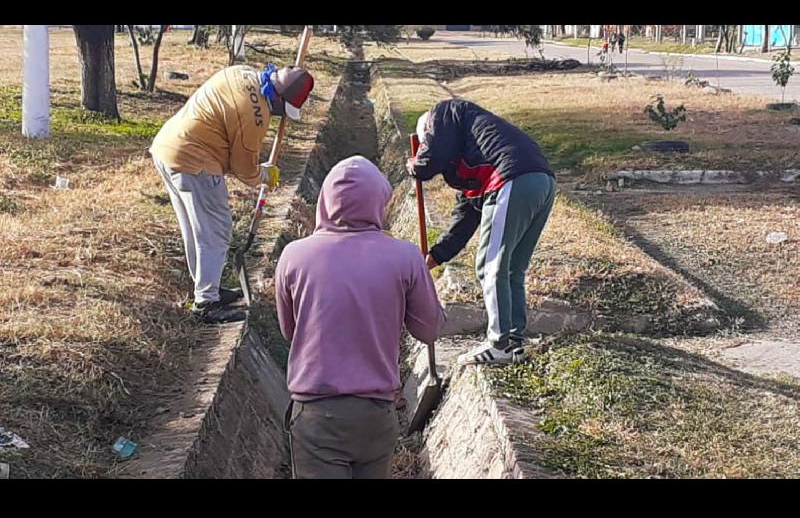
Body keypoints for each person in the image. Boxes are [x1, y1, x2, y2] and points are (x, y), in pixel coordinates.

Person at [275, 155, 446, 479]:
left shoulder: (293, 255)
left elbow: (290, 331)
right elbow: (429, 329)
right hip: (376, 415)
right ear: (379, 202)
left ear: (324, 201)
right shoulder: (405, 256)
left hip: (316, 416)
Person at [150, 63, 314, 323]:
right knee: (216, 229)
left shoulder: (242, 71)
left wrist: (258, 170)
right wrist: (264, 175)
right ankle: (206, 303)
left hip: (167, 147)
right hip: (195, 161)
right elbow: (244, 171)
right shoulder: (255, 116)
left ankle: (207, 288)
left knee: (196, 228)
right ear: (279, 99)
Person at [406, 99, 556, 367]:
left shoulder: (444, 113)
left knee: (490, 266)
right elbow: (463, 222)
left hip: (513, 179)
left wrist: (415, 166)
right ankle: (514, 341)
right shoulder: (473, 161)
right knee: (511, 268)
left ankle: (498, 344)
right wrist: (432, 259)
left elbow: (428, 162)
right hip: (541, 181)